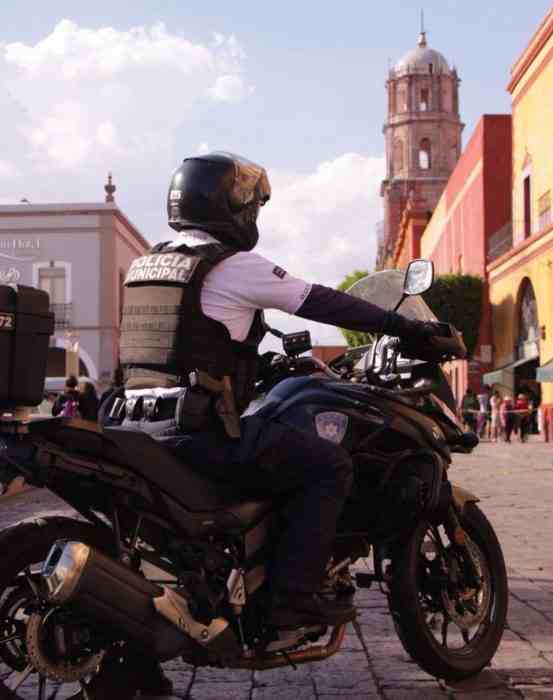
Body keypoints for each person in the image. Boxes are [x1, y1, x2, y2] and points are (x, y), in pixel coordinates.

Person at [116, 151, 458, 634]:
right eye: (247, 205)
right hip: (196, 432)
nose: (252, 215)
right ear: (226, 208)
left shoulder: (147, 265)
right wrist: (404, 327)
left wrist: (254, 364)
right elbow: (317, 299)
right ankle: (291, 600)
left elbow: (180, 346)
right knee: (327, 466)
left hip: (130, 424)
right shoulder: (230, 265)